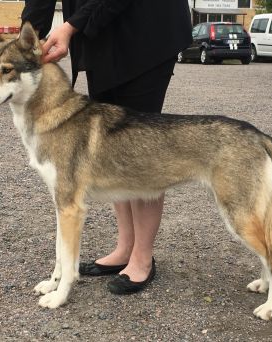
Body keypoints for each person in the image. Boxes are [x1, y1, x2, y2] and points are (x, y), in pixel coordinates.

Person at [21, 0, 192, 294]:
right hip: (101, 34)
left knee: (139, 151)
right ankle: (125, 248)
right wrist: (28, 40)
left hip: (147, 29)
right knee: (113, 151)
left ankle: (143, 257)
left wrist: (71, 25)